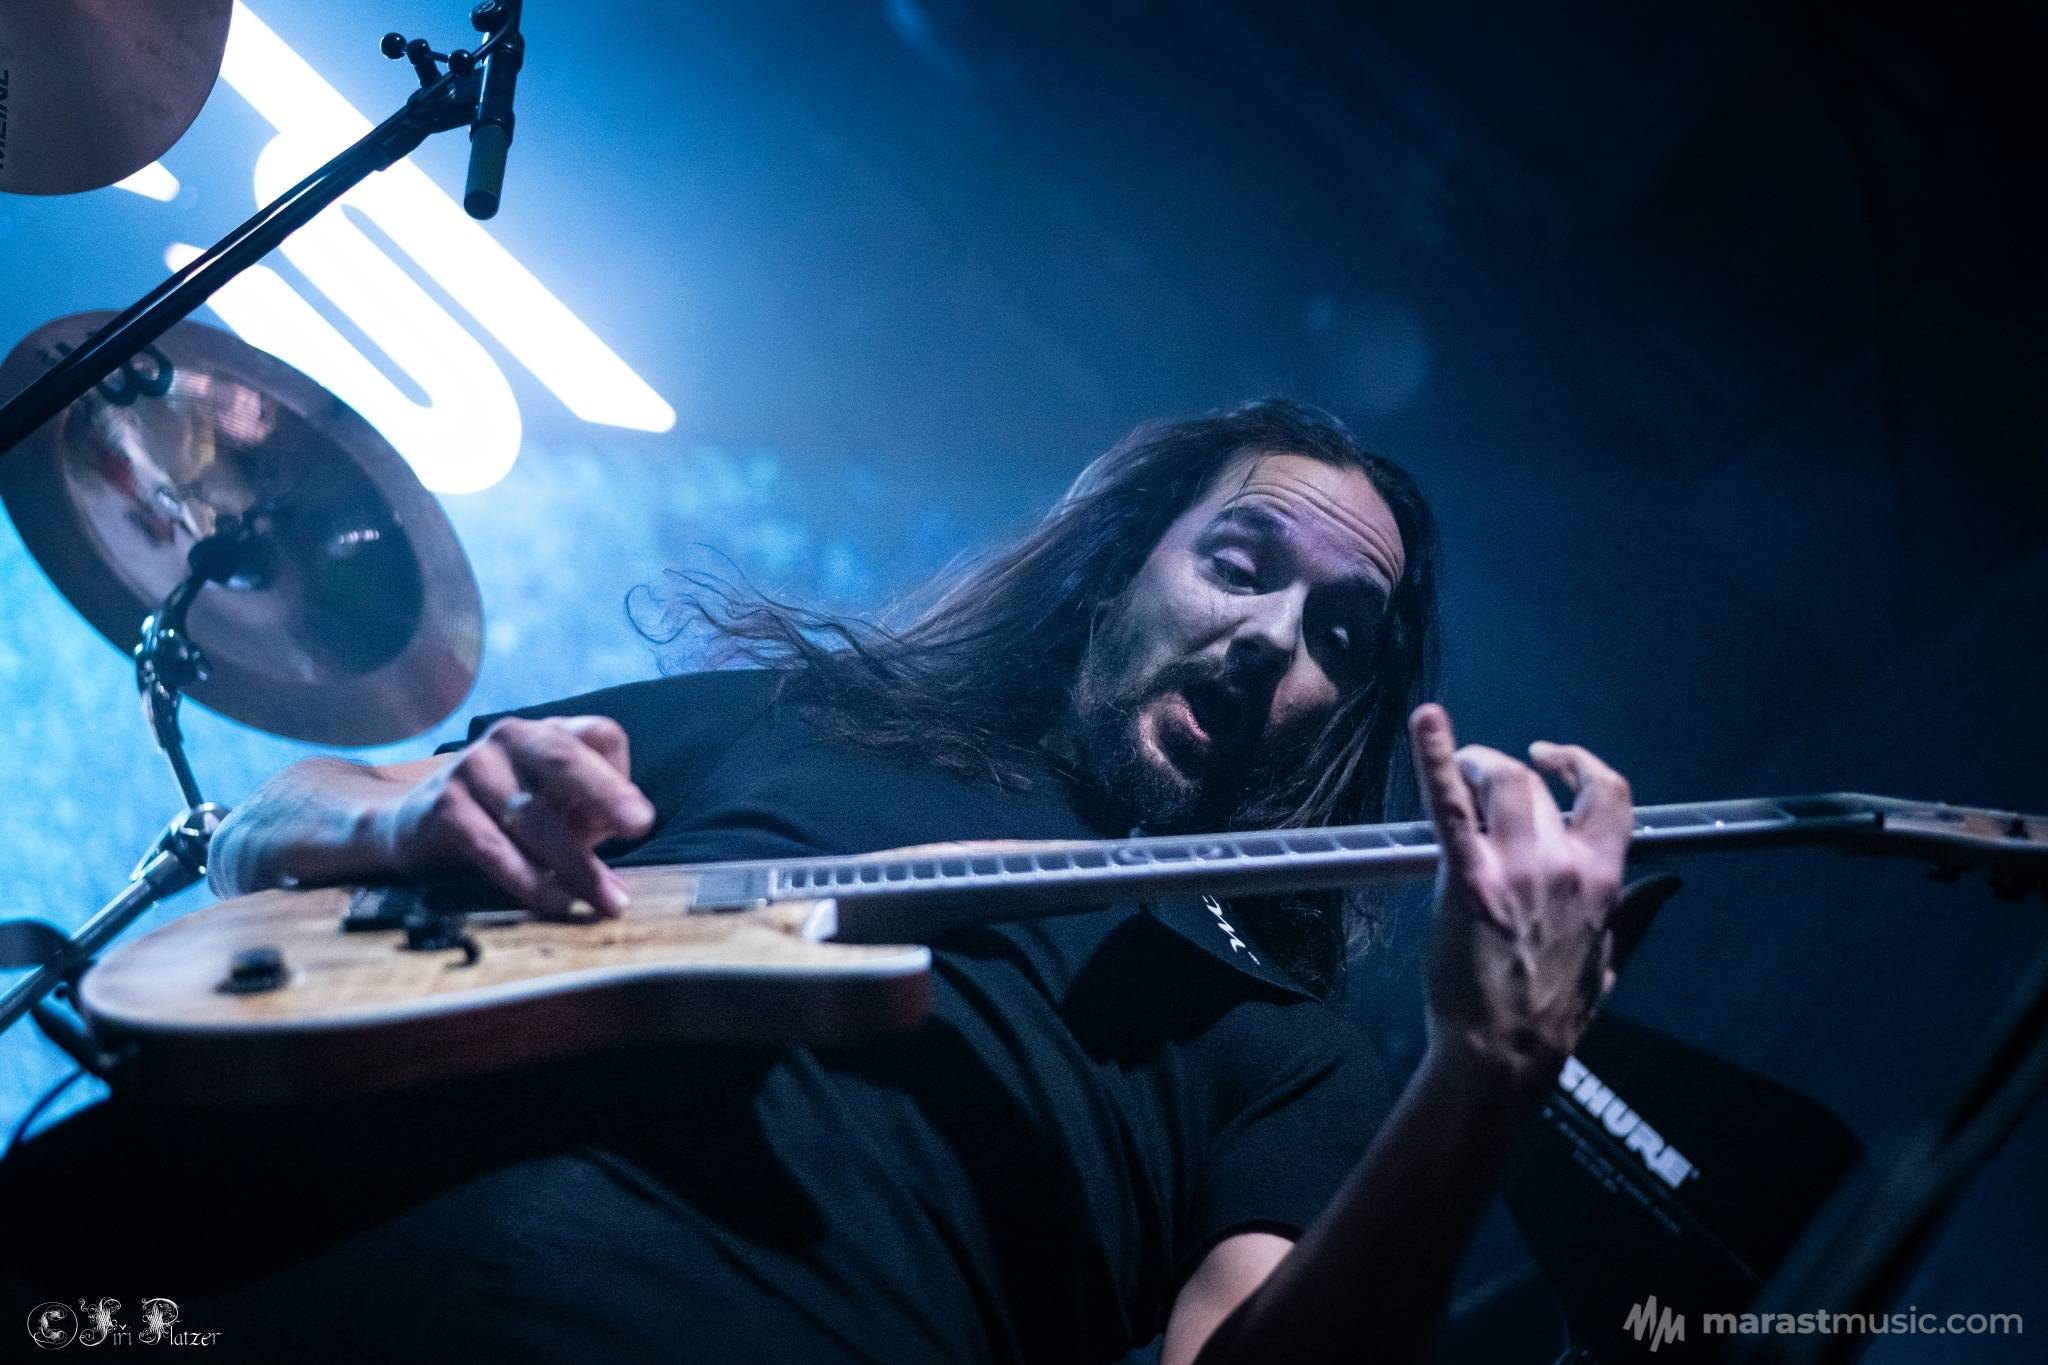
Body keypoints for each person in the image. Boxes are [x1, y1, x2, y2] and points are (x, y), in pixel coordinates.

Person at [2, 399, 1648, 1364]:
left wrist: (1486, 1071)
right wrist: (413, 816)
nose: (1275, 635)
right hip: (223, 1246)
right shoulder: (798, 717)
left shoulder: (1289, 1046)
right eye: (1240, 561)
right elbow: (283, 815)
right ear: (1115, 573)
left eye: (1339, 635)